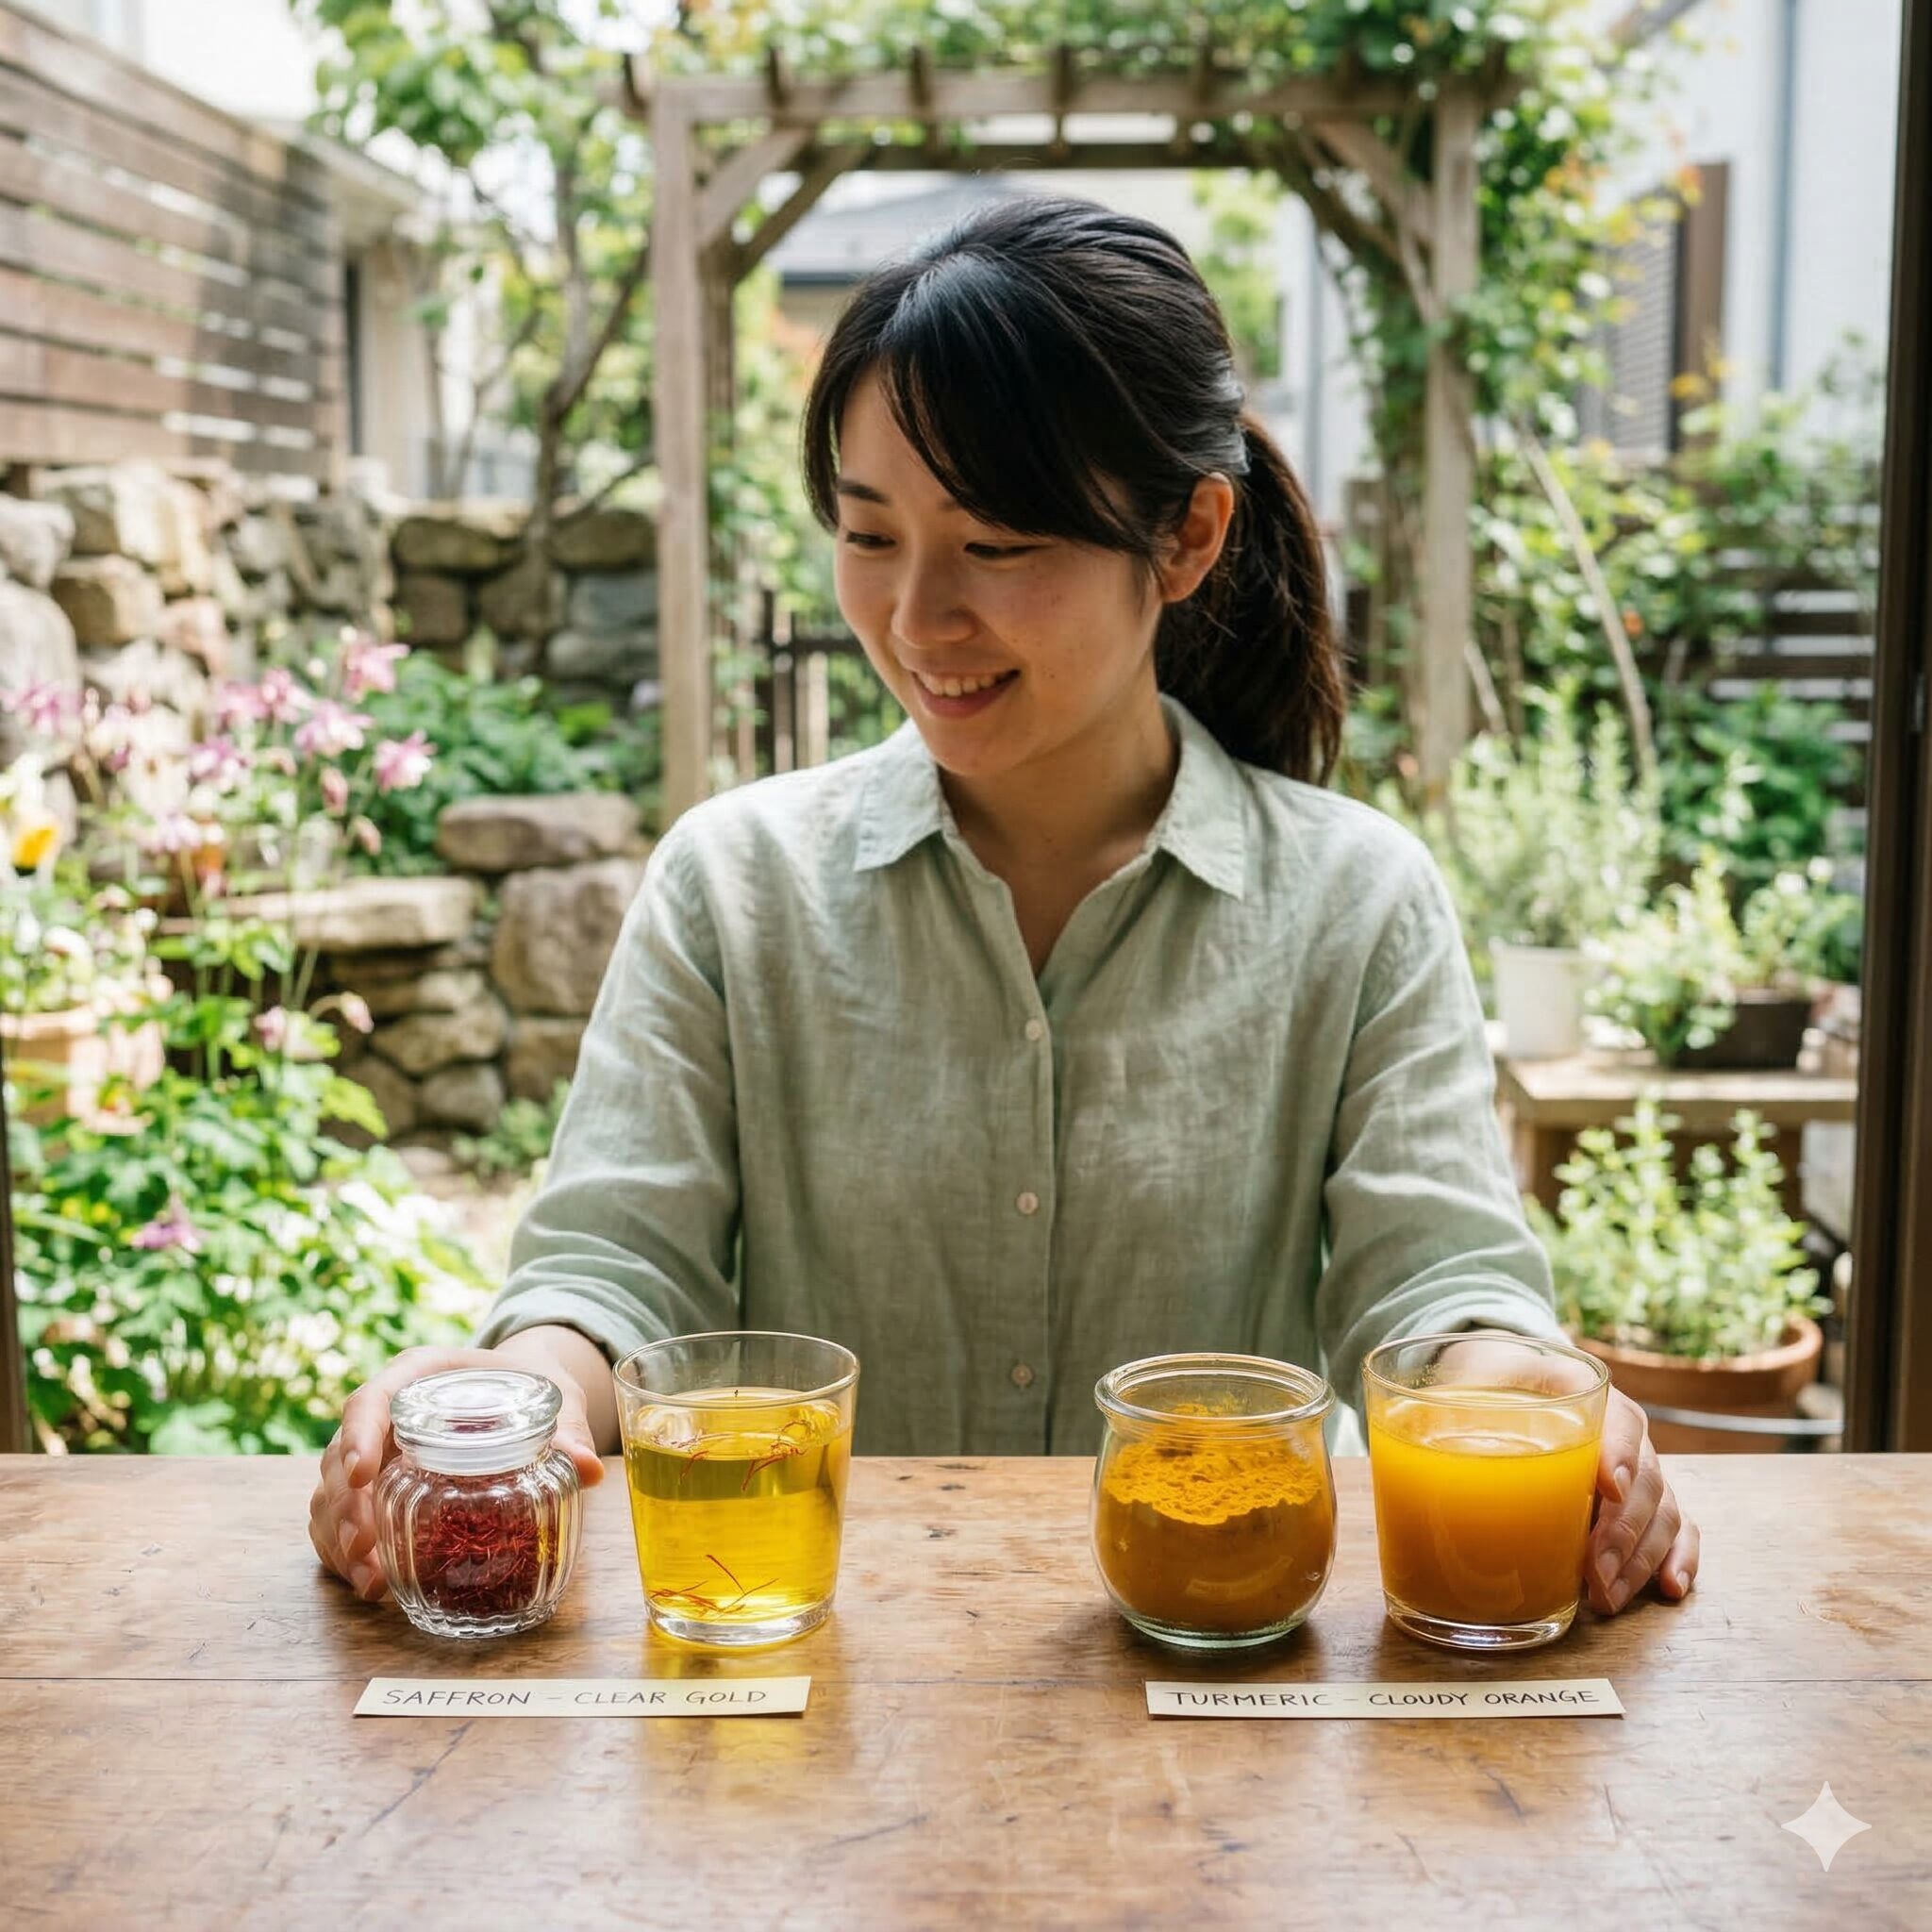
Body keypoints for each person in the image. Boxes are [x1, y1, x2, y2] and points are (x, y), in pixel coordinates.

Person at [309, 195, 1696, 1621]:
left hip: (1206, 1675)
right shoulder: (734, 887)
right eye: (869, 535)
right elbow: (616, 1272)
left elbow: (1440, 1292)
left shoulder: (1356, 903)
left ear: (1187, 537)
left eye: (997, 545)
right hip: (822, 1674)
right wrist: (500, 1402)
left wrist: (1536, 1400)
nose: (917, 620)